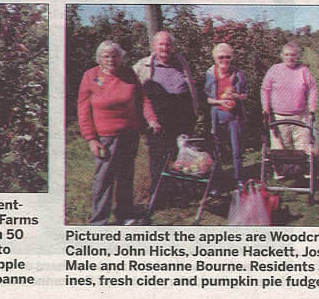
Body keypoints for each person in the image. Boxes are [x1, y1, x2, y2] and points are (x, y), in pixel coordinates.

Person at [77, 40, 160, 225]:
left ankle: (123, 213)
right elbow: (83, 109)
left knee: (126, 176)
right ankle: (99, 221)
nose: (110, 59)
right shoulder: (90, 76)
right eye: (106, 56)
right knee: (104, 179)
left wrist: (151, 118)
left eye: (114, 55)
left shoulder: (128, 74)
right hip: (105, 137)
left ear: (120, 57)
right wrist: (91, 139)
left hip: (129, 134)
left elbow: (143, 99)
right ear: (99, 58)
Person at [133, 31, 200, 184]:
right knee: (158, 153)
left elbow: (190, 85)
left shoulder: (180, 61)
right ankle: (159, 191)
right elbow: (129, 83)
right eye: (161, 44)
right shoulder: (143, 64)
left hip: (181, 112)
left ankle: (180, 187)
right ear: (154, 46)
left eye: (168, 44)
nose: (165, 47)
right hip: (158, 114)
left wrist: (193, 110)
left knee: (180, 152)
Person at [260, 40, 317, 181]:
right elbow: (265, 89)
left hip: (300, 115)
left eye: (293, 55)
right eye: (287, 54)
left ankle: (303, 170)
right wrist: (265, 107)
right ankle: (280, 171)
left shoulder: (303, 70)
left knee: (302, 145)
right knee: (281, 146)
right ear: (282, 55)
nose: (290, 57)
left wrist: (312, 108)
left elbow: (312, 89)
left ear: (297, 56)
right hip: (279, 116)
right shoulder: (274, 70)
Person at [203, 42, 247, 187]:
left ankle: (238, 179)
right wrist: (220, 102)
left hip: (234, 115)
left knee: (237, 149)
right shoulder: (210, 74)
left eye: (227, 57)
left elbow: (244, 95)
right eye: (221, 57)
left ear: (231, 57)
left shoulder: (238, 74)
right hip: (217, 115)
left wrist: (236, 96)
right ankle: (217, 181)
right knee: (216, 150)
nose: (224, 60)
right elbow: (208, 99)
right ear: (215, 58)